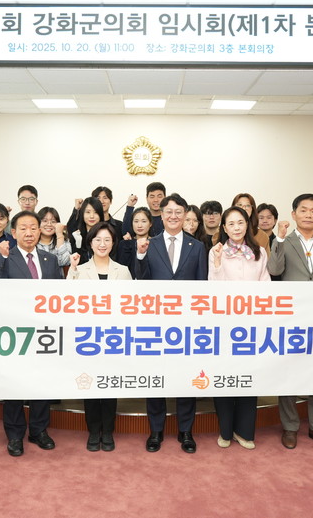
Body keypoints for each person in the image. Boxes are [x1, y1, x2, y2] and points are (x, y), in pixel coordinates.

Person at [267, 193, 313, 451]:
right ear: (294, 214)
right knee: (289, 372)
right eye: (303, 210)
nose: (308, 215)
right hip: (292, 318)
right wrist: (278, 239)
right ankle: (290, 427)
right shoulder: (283, 241)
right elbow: (274, 270)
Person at [135, 193, 208, 454]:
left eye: (179, 212)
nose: (174, 216)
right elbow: (140, 283)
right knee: (156, 377)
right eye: (169, 212)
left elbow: (202, 287)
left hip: (187, 325)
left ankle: (185, 430)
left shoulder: (196, 247)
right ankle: (156, 430)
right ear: (161, 215)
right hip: (156, 324)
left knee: (186, 378)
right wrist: (140, 256)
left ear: (185, 215)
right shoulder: (149, 244)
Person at [0, 210, 64, 457]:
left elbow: (59, 296)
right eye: (23, 228)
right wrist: (1, 259)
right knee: (14, 384)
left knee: (41, 382)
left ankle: (39, 430)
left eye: (33, 228)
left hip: (44, 332)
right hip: (15, 333)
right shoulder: (5, 258)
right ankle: (14, 434)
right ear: (13, 233)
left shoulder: (50, 260)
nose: (29, 233)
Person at [68, 222, 132, 452]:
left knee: (109, 385)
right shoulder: (80, 269)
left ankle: (108, 431)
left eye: (107, 240)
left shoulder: (123, 271)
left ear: (113, 243)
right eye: (98, 240)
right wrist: (72, 270)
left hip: (113, 337)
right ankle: (94, 431)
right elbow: (68, 300)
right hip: (88, 338)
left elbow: (130, 306)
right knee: (90, 385)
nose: (102, 244)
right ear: (90, 242)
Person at [208, 206, 268, 450]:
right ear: (224, 227)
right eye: (231, 224)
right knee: (224, 376)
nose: (236, 228)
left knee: (247, 377)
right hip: (224, 324)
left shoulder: (259, 252)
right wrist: (218, 262)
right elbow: (213, 288)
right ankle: (225, 430)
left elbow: (265, 286)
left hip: (251, 324)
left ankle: (244, 431)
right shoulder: (216, 251)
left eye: (240, 223)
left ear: (247, 225)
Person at [116, 206, 153, 275]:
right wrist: (129, 245)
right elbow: (121, 268)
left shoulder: (156, 243)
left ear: (150, 223)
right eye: (136, 221)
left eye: (144, 221)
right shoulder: (124, 244)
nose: (139, 225)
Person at [70, 197, 105, 264]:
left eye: (95, 212)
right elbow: (76, 262)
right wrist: (78, 244)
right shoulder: (77, 235)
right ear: (82, 214)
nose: (91, 216)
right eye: (88, 212)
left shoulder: (106, 233)